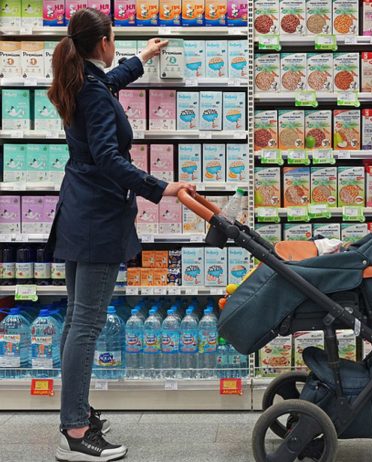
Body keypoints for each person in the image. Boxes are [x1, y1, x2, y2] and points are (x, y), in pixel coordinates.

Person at [46, 8, 195, 462]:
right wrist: (161, 188)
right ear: (103, 43)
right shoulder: (90, 89)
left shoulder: (82, 81)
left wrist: (142, 58)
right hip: (98, 219)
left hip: (80, 208)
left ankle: (74, 414)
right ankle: (75, 431)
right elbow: (111, 158)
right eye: (116, 40)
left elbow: (106, 86)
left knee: (77, 321)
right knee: (86, 325)